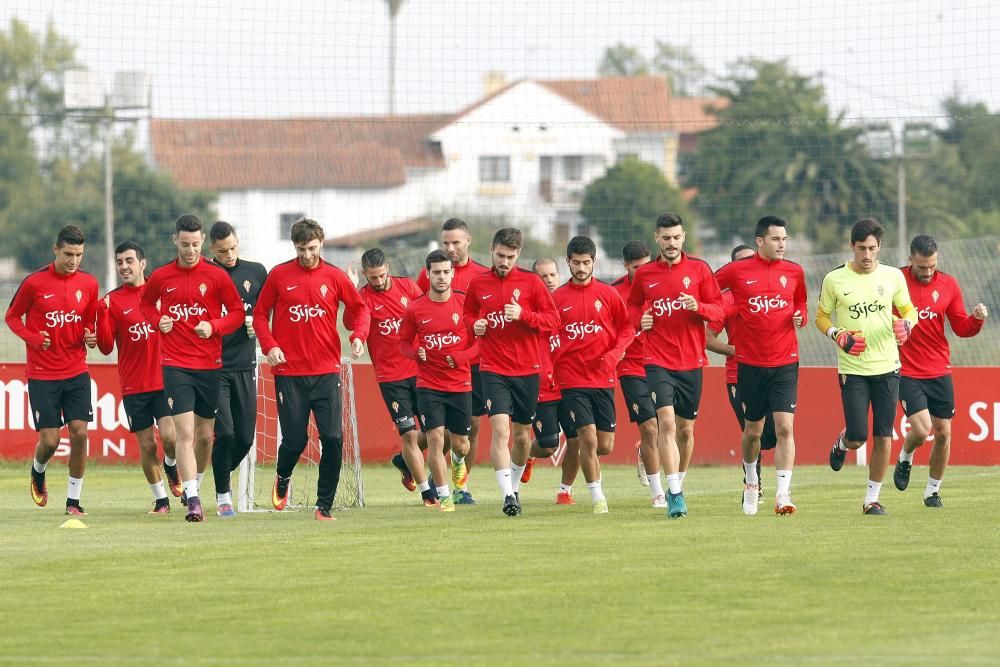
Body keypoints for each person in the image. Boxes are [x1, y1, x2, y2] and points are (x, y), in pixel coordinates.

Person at [252, 218, 370, 521]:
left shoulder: (334, 276)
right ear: (295, 246)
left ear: (322, 243)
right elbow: (261, 314)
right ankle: (282, 476)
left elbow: (359, 309)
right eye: (302, 249)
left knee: (332, 438)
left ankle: (324, 505)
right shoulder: (279, 275)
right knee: (294, 440)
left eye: (313, 248)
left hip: (326, 372)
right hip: (289, 373)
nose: (307, 255)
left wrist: (358, 337)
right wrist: (270, 346)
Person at [140, 214, 246, 522]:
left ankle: (193, 486)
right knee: (183, 433)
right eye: (185, 244)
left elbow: (237, 313)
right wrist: (156, 320)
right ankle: (194, 500)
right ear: (175, 241)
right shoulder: (161, 276)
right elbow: (145, 306)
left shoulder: (216, 276)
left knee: (204, 436)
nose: (190, 250)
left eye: (196, 244)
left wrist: (213, 325)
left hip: (209, 365)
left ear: (203, 243)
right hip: (175, 365)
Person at [816, 217, 918, 515]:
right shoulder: (834, 279)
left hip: (888, 366)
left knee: (884, 434)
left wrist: (906, 324)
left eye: (872, 248)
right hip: (853, 369)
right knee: (859, 435)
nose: (867, 255)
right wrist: (838, 334)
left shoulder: (893, 277)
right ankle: (842, 443)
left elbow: (909, 309)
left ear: (879, 247)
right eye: (862, 249)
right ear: (852, 247)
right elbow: (822, 317)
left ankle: (871, 499)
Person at [627, 213, 723, 518]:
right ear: (657, 238)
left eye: (676, 237)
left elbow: (720, 309)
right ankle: (676, 494)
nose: (671, 243)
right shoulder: (645, 274)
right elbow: (631, 307)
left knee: (685, 429)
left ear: (684, 238)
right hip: (657, 360)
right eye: (665, 238)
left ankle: (676, 482)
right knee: (665, 423)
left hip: (692, 361)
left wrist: (700, 308)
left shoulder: (699, 269)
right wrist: (638, 320)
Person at [714, 217, 808, 516]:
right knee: (753, 432)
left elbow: (802, 306)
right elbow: (708, 289)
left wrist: (799, 318)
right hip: (750, 366)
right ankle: (752, 482)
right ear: (760, 241)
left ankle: (783, 494)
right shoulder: (737, 271)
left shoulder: (794, 272)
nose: (782, 244)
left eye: (784, 239)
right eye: (776, 239)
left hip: (785, 363)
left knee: (784, 428)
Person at [463, 227, 560, 516]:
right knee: (500, 430)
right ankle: (506, 495)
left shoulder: (531, 283)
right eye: (501, 255)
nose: (505, 261)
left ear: (519, 254)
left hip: (528, 369)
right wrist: (474, 325)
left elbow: (553, 320)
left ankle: (514, 489)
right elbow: (468, 314)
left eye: (511, 256)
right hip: (492, 368)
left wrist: (524, 315)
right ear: (491, 249)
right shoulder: (478, 284)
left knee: (521, 437)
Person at [6, 225, 99, 516]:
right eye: (69, 254)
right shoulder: (34, 283)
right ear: (55, 250)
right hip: (42, 374)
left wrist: (91, 335)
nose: (74, 260)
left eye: (79, 255)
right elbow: (11, 317)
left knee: (80, 433)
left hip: (76, 370)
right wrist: (33, 338)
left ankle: (73, 501)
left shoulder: (90, 284)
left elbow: (89, 323)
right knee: (50, 440)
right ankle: (38, 469)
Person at [892, 234, 988, 507]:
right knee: (922, 430)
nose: (927, 272)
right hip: (907, 369)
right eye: (922, 267)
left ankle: (932, 491)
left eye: (932, 266)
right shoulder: (895, 282)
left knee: (944, 433)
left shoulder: (948, 284)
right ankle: (906, 456)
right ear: (910, 260)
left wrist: (977, 320)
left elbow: (961, 327)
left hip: (939, 369)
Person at [95, 241, 180, 514]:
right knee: (146, 444)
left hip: (164, 379)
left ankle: (171, 464)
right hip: (133, 385)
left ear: (143, 263)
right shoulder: (113, 300)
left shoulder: (161, 291)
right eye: (119, 262)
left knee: (170, 438)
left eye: (129, 261)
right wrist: (102, 312)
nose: (124, 267)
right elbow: (106, 347)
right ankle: (161, 501)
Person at [551, 236, 633, 514]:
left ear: (594, 262)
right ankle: (598, 498)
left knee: (604, 445)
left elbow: (627, 329)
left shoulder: (609, 295)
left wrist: (615, 353)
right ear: (568, 262)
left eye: (586, 263)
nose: (581, 268)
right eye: (576, 263)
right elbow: (545, 336)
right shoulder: (557, 299)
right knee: (586, 438)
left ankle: (580, 472)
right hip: (572, 381)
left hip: (603, 379)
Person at [357, 247, 438, 506]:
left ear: (388, 268)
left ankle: (404, 462)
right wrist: (357, 339)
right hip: (391, 378)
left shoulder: (408, 288)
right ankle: (427, 493)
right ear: (364, 275)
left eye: (381, 276)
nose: (378, 282)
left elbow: (427, 316)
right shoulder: (364, 298)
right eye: (372, 278)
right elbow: (355, 322)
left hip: (421, 372)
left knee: (440, 433)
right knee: (408, 435)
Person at [399, 250, 478, 512]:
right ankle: (444, 496)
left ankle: (457, 461)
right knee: (434, 439)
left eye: (446, 272)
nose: (442, 277)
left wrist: (462, 356)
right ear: (428, 274)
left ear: (453, 273)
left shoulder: (465, 305)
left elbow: (480, 344)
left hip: (460, 384)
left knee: (461, 444)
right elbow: (404, 344)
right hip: (429, 385)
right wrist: (416, 353)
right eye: (436, 272)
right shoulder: (416, 308)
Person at [417, 218, 488, 503]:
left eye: (456, 242)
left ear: (468, 240)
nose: (451, 248)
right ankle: (425, 467)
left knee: (472, 426)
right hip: (437, 366)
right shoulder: (430, 274)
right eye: (446, 243)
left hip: (475, 364)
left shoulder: (482, 275)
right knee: (436, 429)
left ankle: (461, 486)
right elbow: (414, 308)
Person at [706, 244, 777, 505]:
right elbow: (707, 338)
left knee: (773, 434)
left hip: (774, 370)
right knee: (751, 431)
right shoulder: (725, 300)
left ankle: (778, 488)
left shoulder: (771, 293)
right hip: (739, 375)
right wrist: (734, 350)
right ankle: (752, 485)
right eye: (744, 262)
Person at [207, 221, 268, 517]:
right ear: (211, 250)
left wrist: (257, 327)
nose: (229, 254)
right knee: (226, 433)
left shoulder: (256, 272)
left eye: (233, 248)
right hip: (213, 367)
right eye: (222, 251)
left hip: (245, 365)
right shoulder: (204, 275)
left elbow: (267, 313)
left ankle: (214, 474)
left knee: (245, 438)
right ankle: (222, 496)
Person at [611, 241, 664, 508]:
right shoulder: (614, 293)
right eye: (636, 268)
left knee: (666, 427)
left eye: (646, 266)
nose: (642, 273)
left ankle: (644, 450)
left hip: (663, 363)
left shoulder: (662, 283)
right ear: (626, 267)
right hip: (631, 367)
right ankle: (658, 493)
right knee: (650, 426)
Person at [528, 258, 581, 505]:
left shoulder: (569, 303)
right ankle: (527, 453)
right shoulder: (528, 310)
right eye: (542, 276)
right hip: (542, 387)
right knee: (548, 446)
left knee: (578, 439)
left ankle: (565, 491)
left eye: (552, 275)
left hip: (570, 384)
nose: (548, 280)